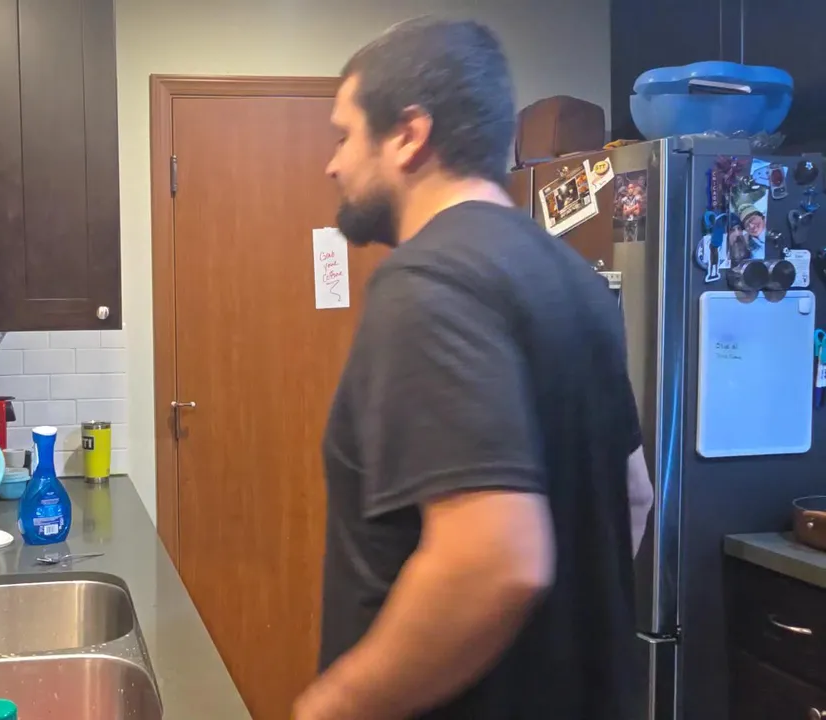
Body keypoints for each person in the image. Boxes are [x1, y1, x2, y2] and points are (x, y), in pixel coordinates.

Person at [294, 17, 654, 720]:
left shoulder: (427, 283)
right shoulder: (574, 279)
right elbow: (633, 496)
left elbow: (495, 559)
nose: (332, 165)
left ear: (408, 134)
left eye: (343, 136)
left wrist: (331, 707)